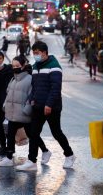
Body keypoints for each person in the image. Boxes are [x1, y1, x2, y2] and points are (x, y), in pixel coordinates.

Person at [16, 41, 75, 171]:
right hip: (37, 106)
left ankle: (69, 154)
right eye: (34, 52)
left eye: (37, 53)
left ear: (44, 53)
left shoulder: (54, 66)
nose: (35, 55)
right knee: (33, 133)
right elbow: (34, 86)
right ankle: (32, 161)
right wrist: (32, 99)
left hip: (51, 107)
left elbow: (55, 88)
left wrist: (49, 104)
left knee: (56, 132)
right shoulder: (36, 66)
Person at [0, 55, 51, 167]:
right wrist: (5, 105)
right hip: (12, 113)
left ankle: (45, 151)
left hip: (24, 114)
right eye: (13, 65)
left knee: (32, 135)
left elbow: (32, 96)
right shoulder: (13, 78)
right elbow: (9, 93)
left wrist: (26, 110)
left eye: (17, 66)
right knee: (10, 134)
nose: (14, 68)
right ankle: (9, 157)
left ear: (23, 65)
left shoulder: (30, 79)